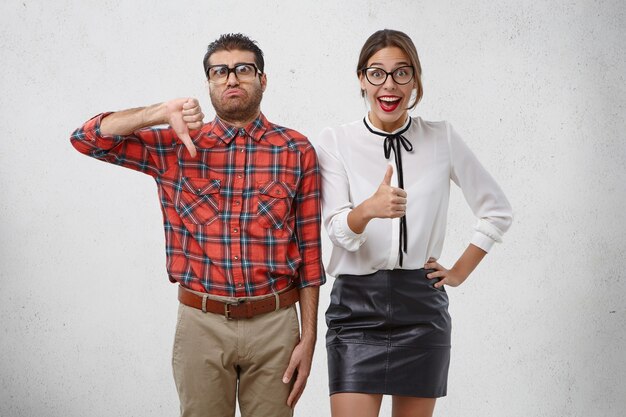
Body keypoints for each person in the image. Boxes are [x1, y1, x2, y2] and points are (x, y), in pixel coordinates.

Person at [70, 33, 325, 417]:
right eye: (219, 71)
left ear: (263, 79)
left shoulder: (296, 150)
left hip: (276, 326)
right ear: (208, 82)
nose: (231, 79)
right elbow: (86, 139)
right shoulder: (175, 146)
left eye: (243, 69)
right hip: (201, 324)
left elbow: (309, 253)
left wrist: (309, 337)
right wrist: (157, 113)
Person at [316, 29, 513, 417]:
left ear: (415, 80)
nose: (389, 85)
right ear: (361, 79)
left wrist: (458, 272)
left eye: (401, 73)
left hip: (422, 309)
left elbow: (497, 210)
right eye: (377, 73)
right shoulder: (335, 140)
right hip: (355, 307)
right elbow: (338, 230)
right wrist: (368, 209)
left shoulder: (441, 137)